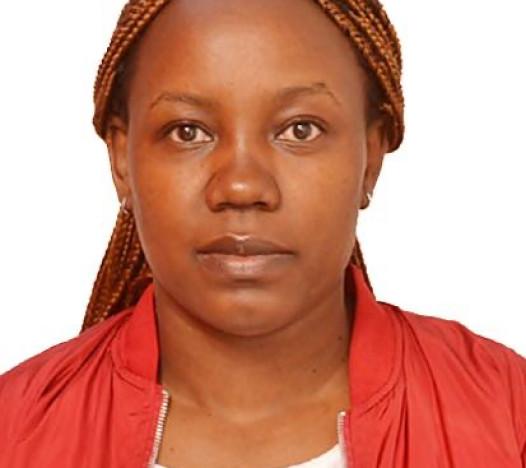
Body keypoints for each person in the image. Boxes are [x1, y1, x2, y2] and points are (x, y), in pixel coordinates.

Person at [0, 0, 525, 467]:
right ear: (121, 159)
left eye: (300, 129)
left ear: (371, 157)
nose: (242, 186)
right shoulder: (14, 429)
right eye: (188, 131)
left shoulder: (508, 412)